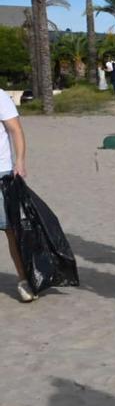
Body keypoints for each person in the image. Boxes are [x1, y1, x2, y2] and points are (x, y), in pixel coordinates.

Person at [0, 88, 33, 302]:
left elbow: (15, 129)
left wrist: (19, 161)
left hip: (1, 173)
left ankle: (24, 279)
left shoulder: (0, 96)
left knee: (11, 229)